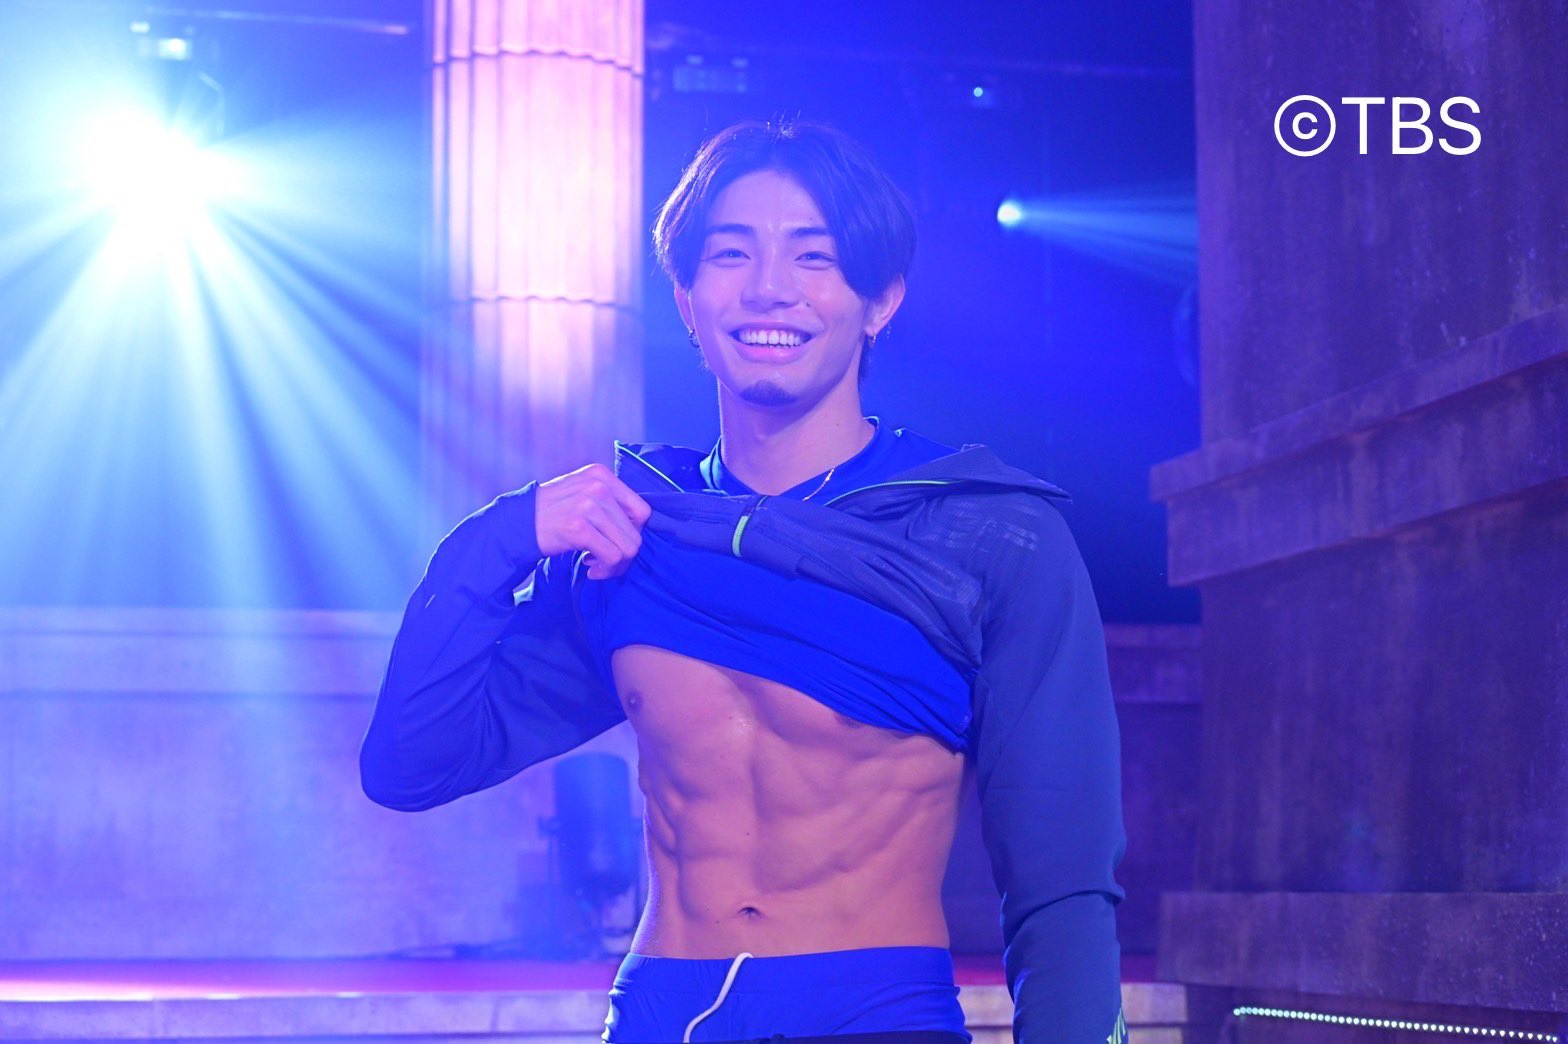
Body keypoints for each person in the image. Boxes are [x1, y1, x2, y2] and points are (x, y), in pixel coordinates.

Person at [360, 118, 1127, 1044]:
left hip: (877, 1021)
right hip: (661, 1018)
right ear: (687, 299)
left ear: (879, 300)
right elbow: (412, 763)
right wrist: (501, 537)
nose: (769, 288)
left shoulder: (988, 537)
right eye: (731, 254)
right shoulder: (639, 537)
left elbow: (1061, 882)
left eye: (814, 256)